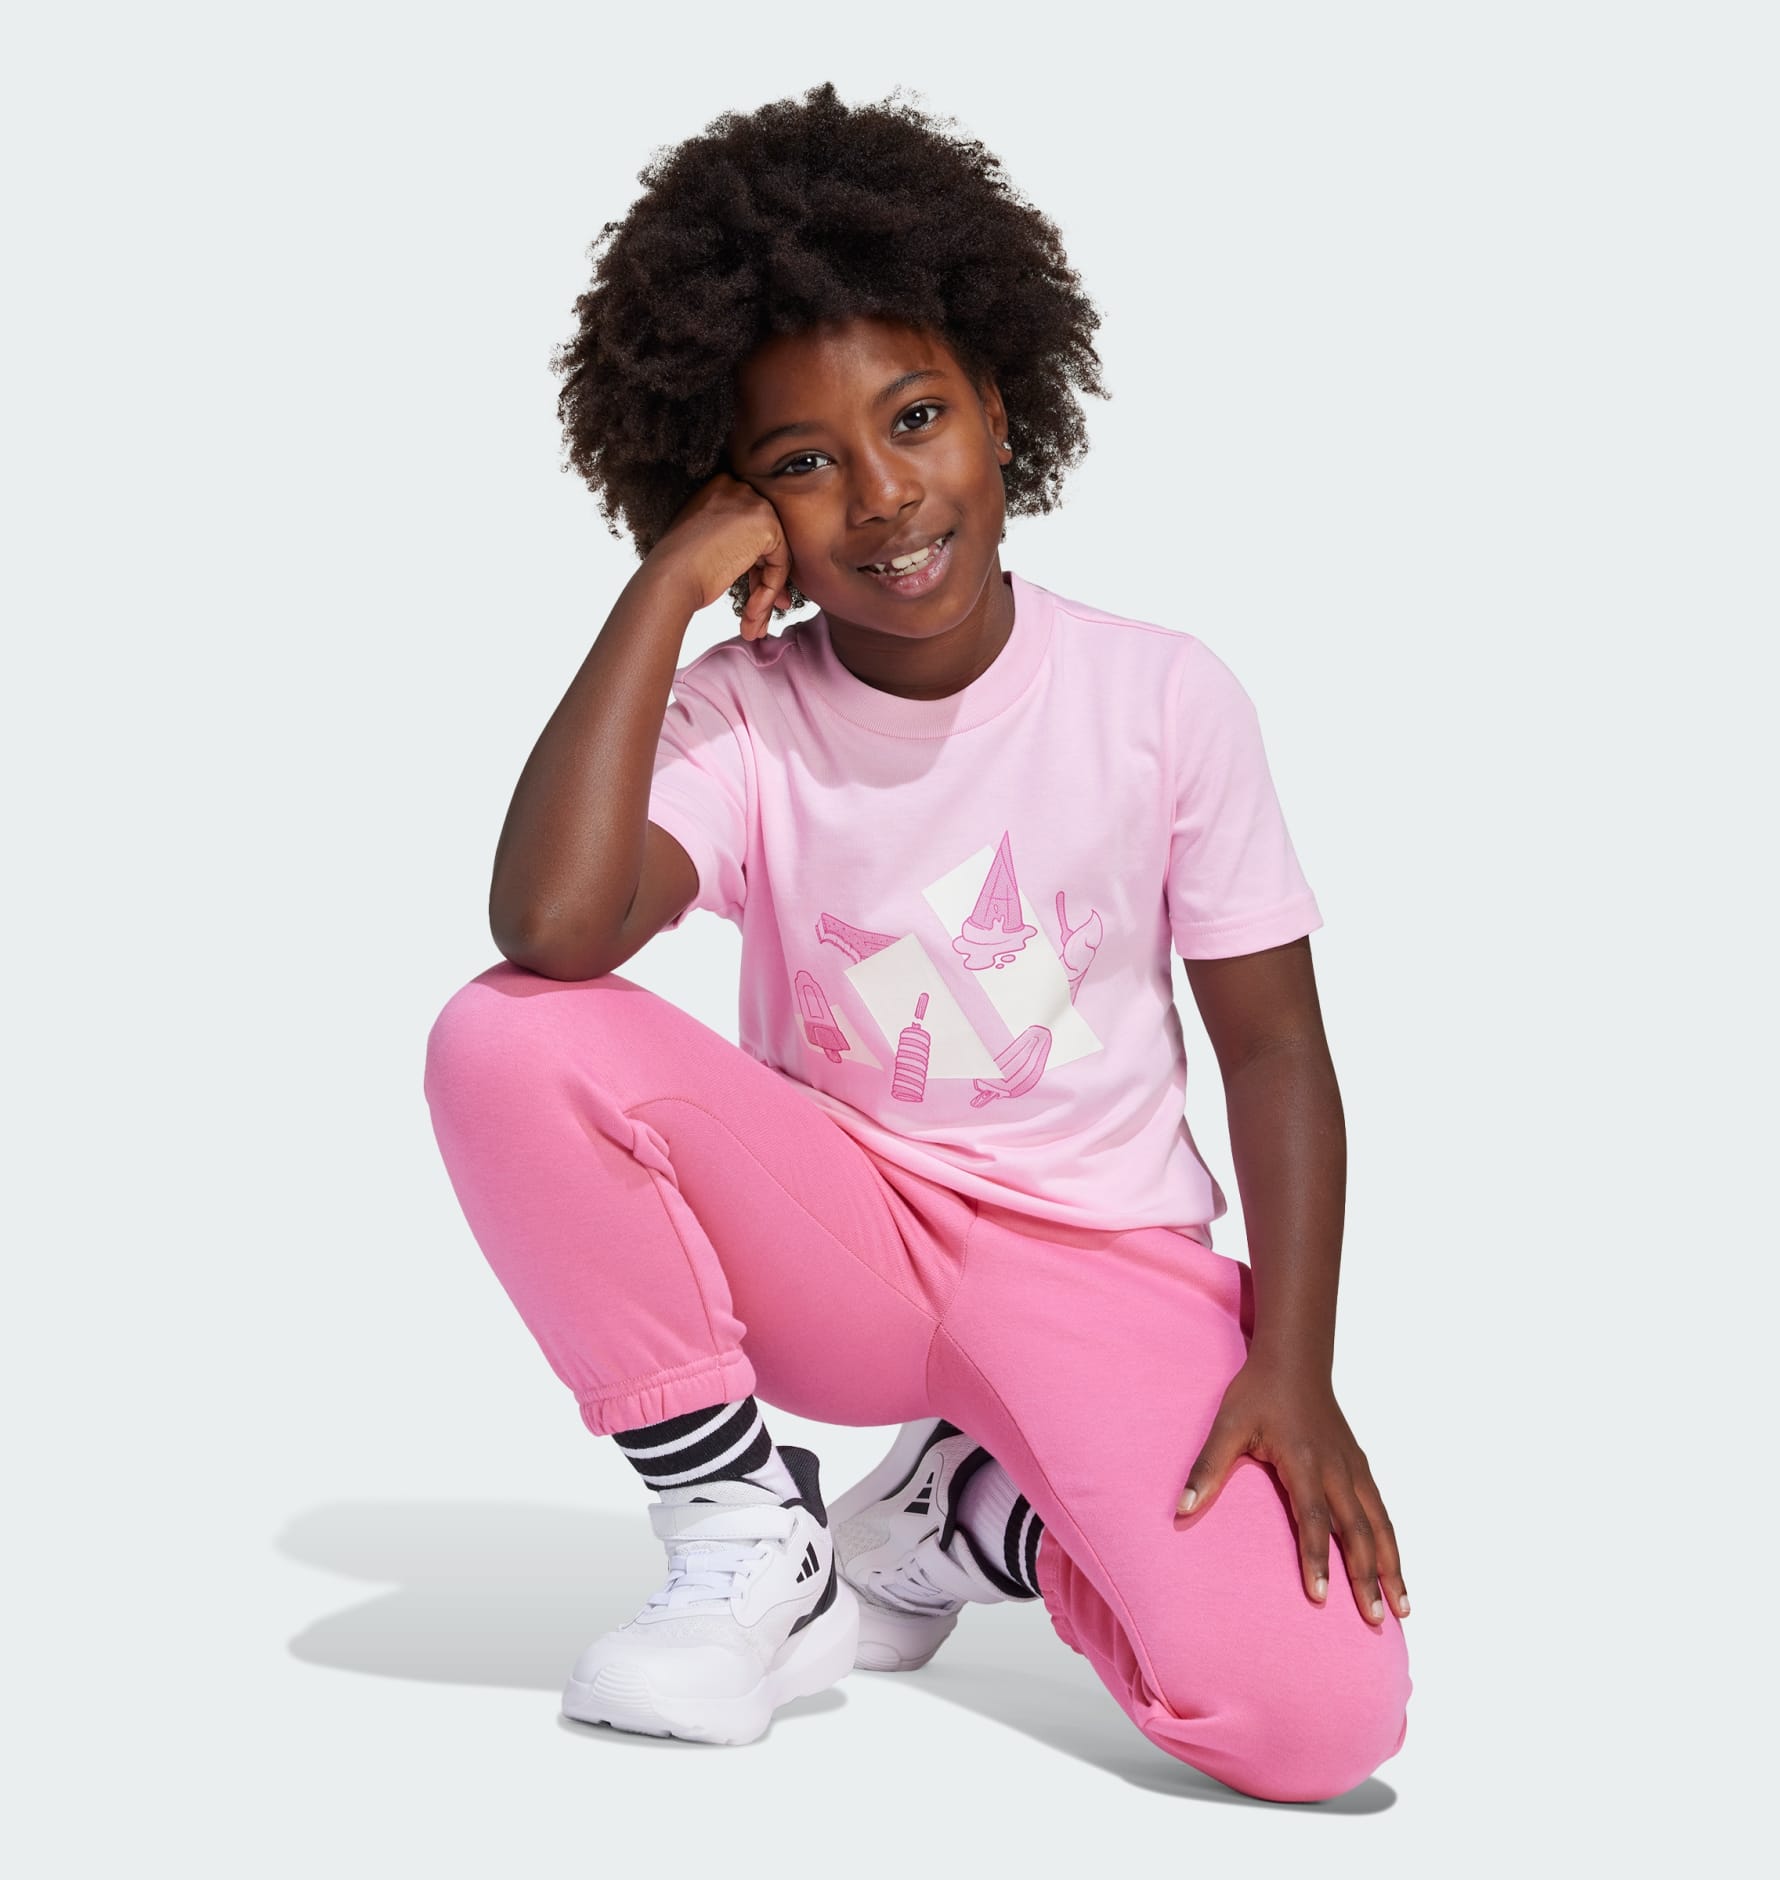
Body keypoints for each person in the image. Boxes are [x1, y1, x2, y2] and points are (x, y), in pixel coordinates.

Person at [423, 82, 1411, 1802]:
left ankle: (967, 1521)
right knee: (507, 1028)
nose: (883, 497)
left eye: (918, 419)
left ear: (1005, 413)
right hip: (846, 1245)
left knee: (1316, 1723)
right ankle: (753, 1529)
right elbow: (554, 927)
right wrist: (661, 593)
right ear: (736, 500)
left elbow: (1273, 1053)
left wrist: (1295, 1366)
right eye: (803, 464)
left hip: (1106, 1265)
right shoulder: (745, 716)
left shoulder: (1162, 698)